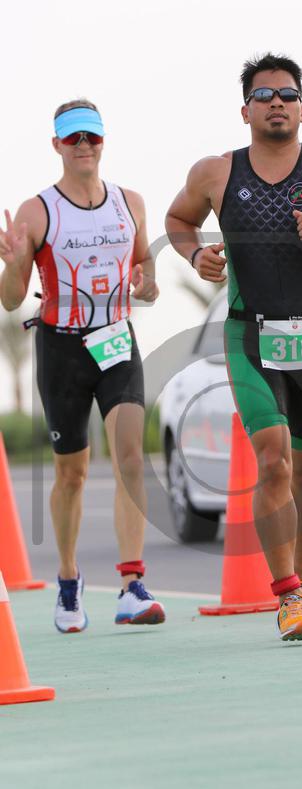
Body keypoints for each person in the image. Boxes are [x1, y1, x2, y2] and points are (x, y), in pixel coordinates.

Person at [165, 53, 302, 641]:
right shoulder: (216, 173)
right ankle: (286, 593)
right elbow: (178, 219)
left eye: (287, 95)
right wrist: (196, 253)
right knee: (273, 461)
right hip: (250, 335)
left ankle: (301, 579)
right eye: (264, 96)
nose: (277, 103)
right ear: (246, 111)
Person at [0, 99, 165, 632]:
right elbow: (10, 299)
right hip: (62, 351)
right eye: (73, 138)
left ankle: (131, 585)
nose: (83, 146)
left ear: (103, 141)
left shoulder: (130, 202)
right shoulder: (36, 211)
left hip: (117, 341)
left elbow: (144, 262)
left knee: (130, 458)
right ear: (57, 145)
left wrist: (148, 282)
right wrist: (12, 264)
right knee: (70, 474)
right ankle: (68, 581)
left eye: (91, 136)